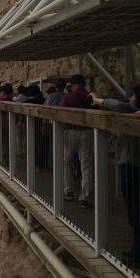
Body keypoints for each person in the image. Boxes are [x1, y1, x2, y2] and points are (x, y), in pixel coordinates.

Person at [91, 85, 140, 267]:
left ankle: (137, 255)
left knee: (135, 211)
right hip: (131, 164)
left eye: (133, 95)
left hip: (131, 165)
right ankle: (136, 249)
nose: (131, 98)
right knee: (134, 211)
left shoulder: (132, 110)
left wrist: (98, 100)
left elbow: (120, 106)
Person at [59, 74, 94, 209]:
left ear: (73, 85)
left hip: (71, 131)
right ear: (84, 84)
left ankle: (67, 191)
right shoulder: (91, 96)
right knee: (87, 165)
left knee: (66, 162)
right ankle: (85, 197)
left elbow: (61, 113)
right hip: (88, 132)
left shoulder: (68, 98)